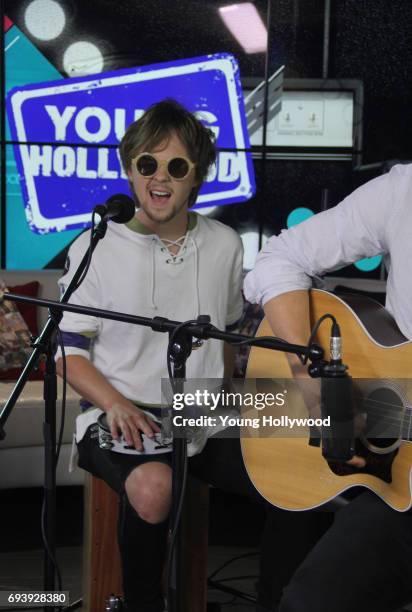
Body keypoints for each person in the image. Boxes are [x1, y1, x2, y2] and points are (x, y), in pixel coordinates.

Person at [56, 99, 271, 612]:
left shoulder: (224, 244)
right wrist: (114, 404)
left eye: (177, 166)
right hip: (122, 413)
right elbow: (67, 354)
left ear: (195, 177)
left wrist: (240, 402)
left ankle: (282, 599)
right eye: (147, 163)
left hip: (203, 417)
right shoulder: (95, 244)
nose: (160, 178)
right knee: (153, 488)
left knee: (304, 467)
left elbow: (226, 339)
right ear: (130, 169)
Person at [244, 162, 412, 612]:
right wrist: (311, 376)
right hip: (404, 493)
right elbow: (279, 259)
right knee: (307, 603)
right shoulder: (403, 191)